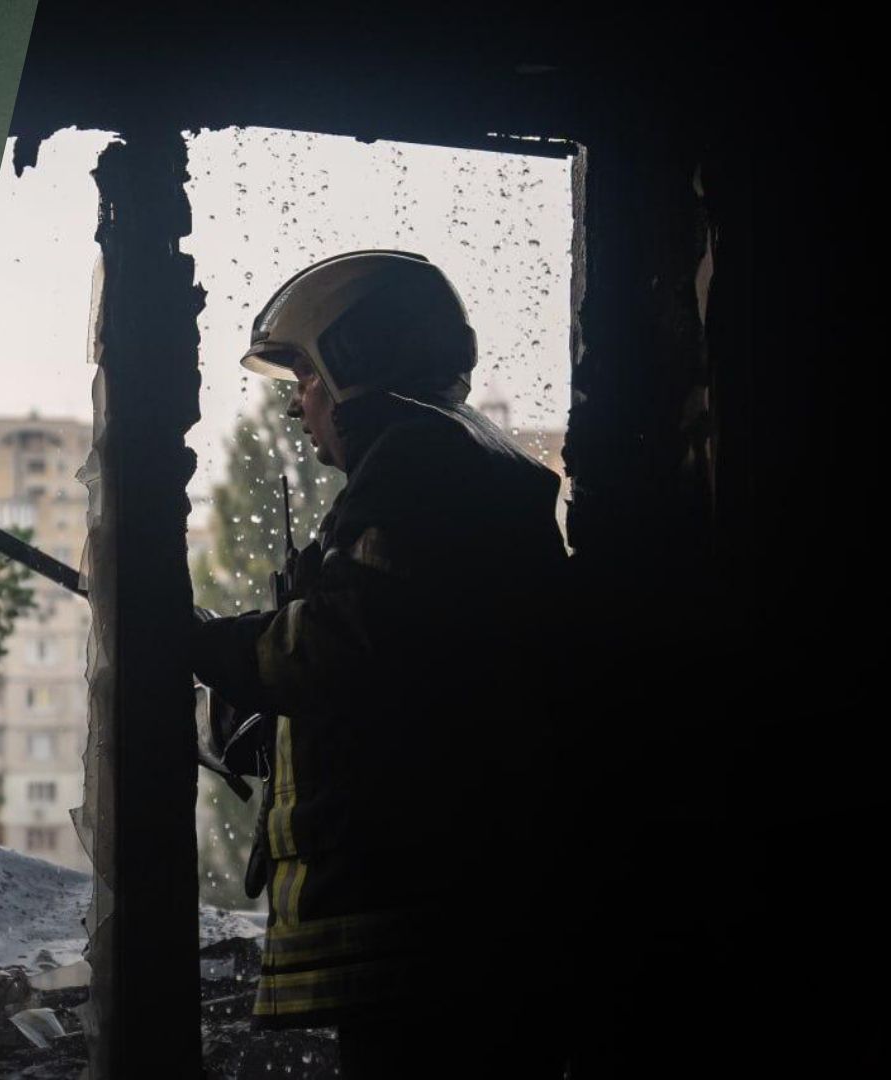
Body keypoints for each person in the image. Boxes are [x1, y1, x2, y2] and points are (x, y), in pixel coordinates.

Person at [190, 250, 571, 1077]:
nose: (299, 402)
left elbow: (342, 644)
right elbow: (405, 652)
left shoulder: (415, 463)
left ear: (353, 362)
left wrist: (212, 647)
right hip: (473, 903)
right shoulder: (469, 459)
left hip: (420, 920)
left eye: (306, 375)